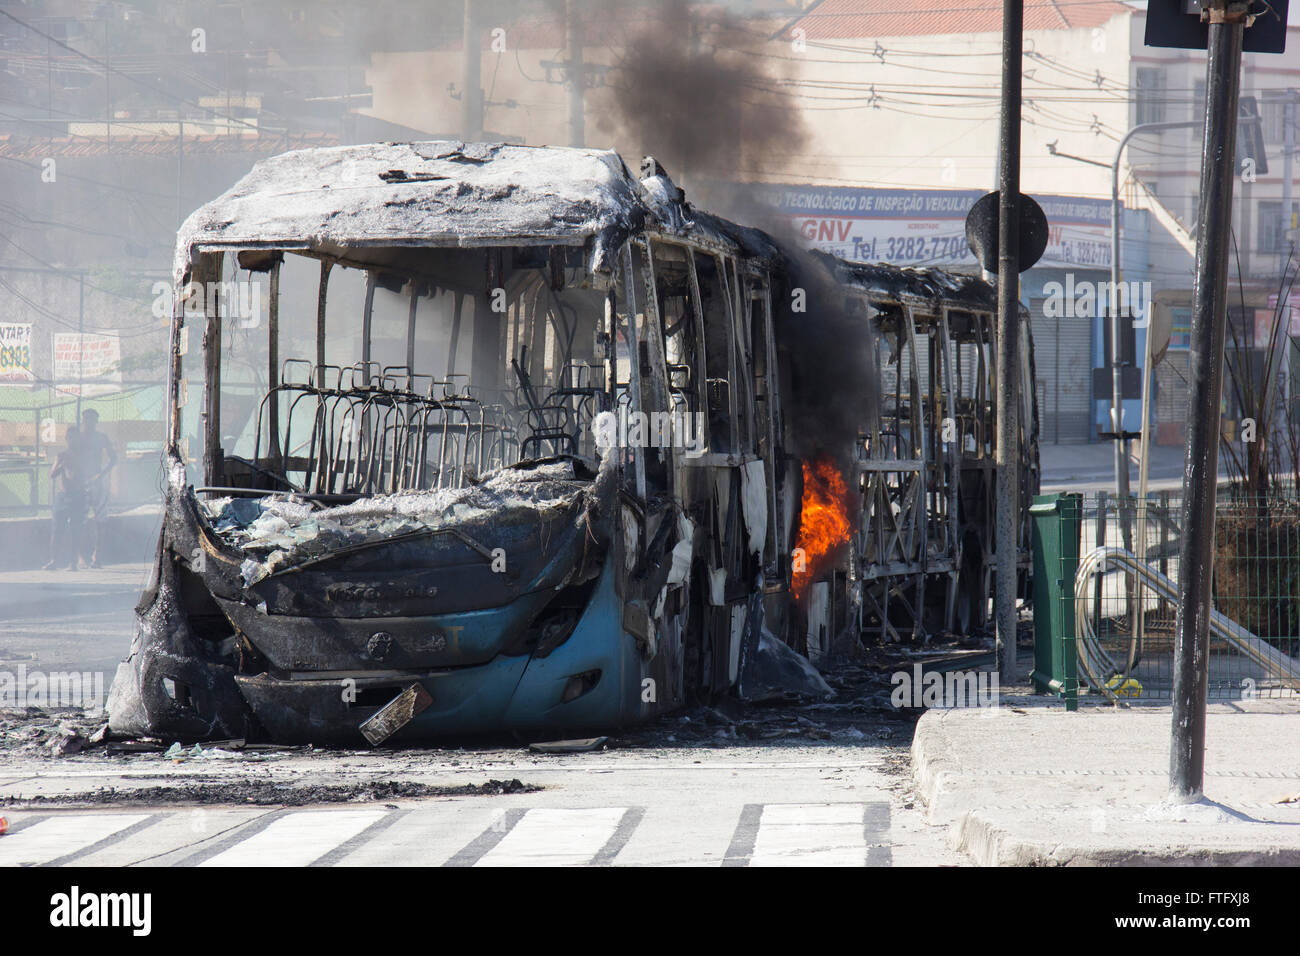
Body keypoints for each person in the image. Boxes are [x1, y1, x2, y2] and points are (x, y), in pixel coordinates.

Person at [74, 408, 117, 568]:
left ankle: (96, 555)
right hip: (80, 482)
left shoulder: (101, 438)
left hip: (97, 482)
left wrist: (102, 474)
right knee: (79, 519)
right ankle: (80, 556)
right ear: (83, 420)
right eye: (86, 419)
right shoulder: (77, 438)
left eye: (92, 419)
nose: (89, 422)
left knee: (100, 520)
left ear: (96, 421)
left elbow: (114, 458)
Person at [44, 427, 87, 571]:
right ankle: (53, 561)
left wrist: (76, 465)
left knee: (76, 529)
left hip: (78, 496)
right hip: (62, 496)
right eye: (69, 438)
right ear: (67, 439)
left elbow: (86, 473)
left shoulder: (83, 455)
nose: (72, 440)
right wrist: (62, 465)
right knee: (57, 530)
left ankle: (73, 562)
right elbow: (52, 474)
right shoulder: (61, 455)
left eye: (75, 437)